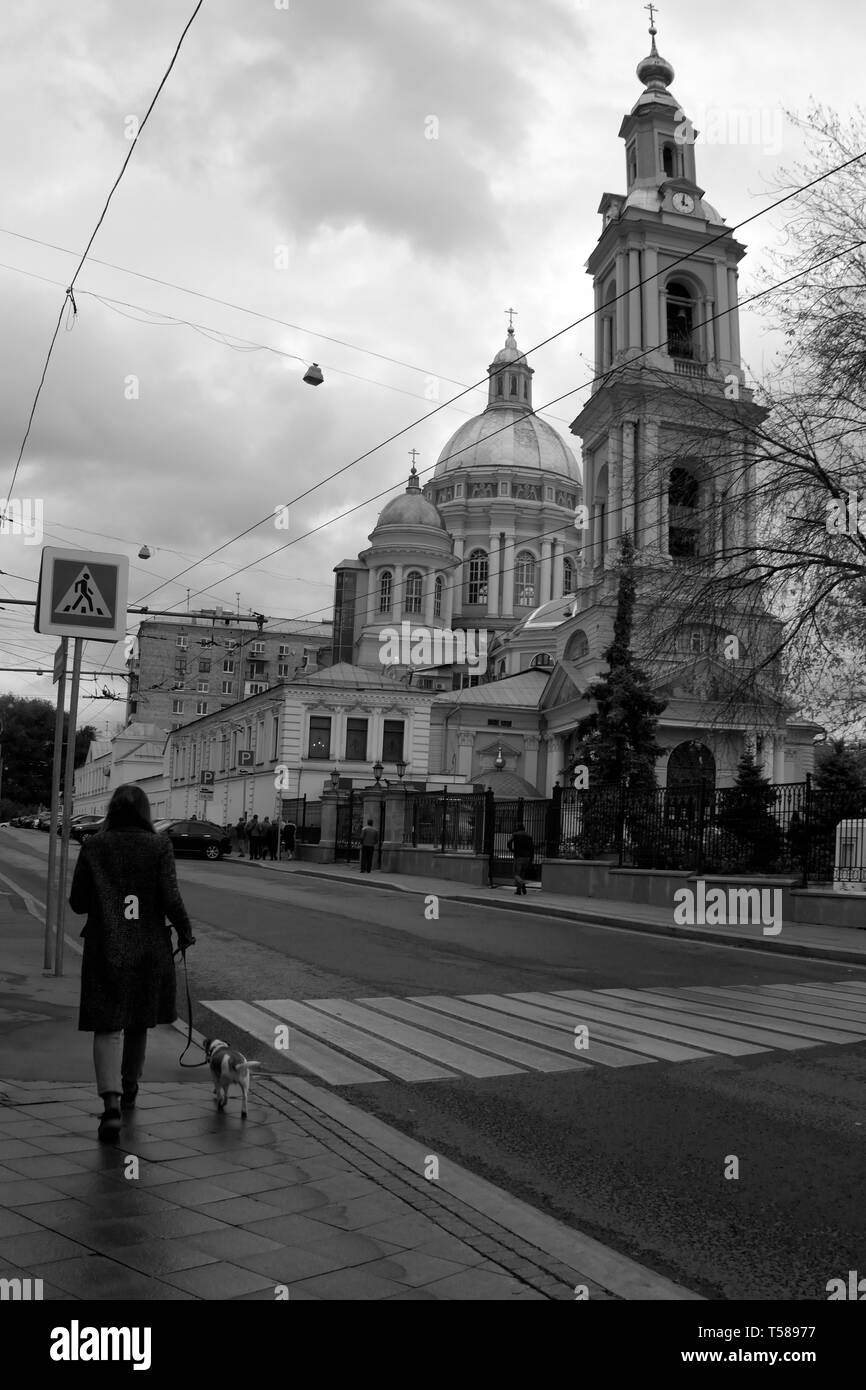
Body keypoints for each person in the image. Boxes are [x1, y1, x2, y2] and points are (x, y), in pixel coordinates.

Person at [68, 783, 195, 1142]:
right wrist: (185, 932)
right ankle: (130, 1089)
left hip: (105, 946)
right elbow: (170, 897)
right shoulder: (159, 845)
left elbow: (78, 903)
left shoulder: (93, 845)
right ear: (144, 812)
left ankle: (110, 1104)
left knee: (107, 1024)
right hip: (148, 947)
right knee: (139, 1018)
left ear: (112, 810)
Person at [506, 822, 534, 895]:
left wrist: (511, 850)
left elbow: (508, 843)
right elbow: (532, 848)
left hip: (519, 856)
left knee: (516, 874)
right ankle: (521, 888)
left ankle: (521, 886)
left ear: (517, 828)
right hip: (527, 857)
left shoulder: (515, 834)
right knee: (522, 874)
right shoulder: (529, 836)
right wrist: (531, 859)